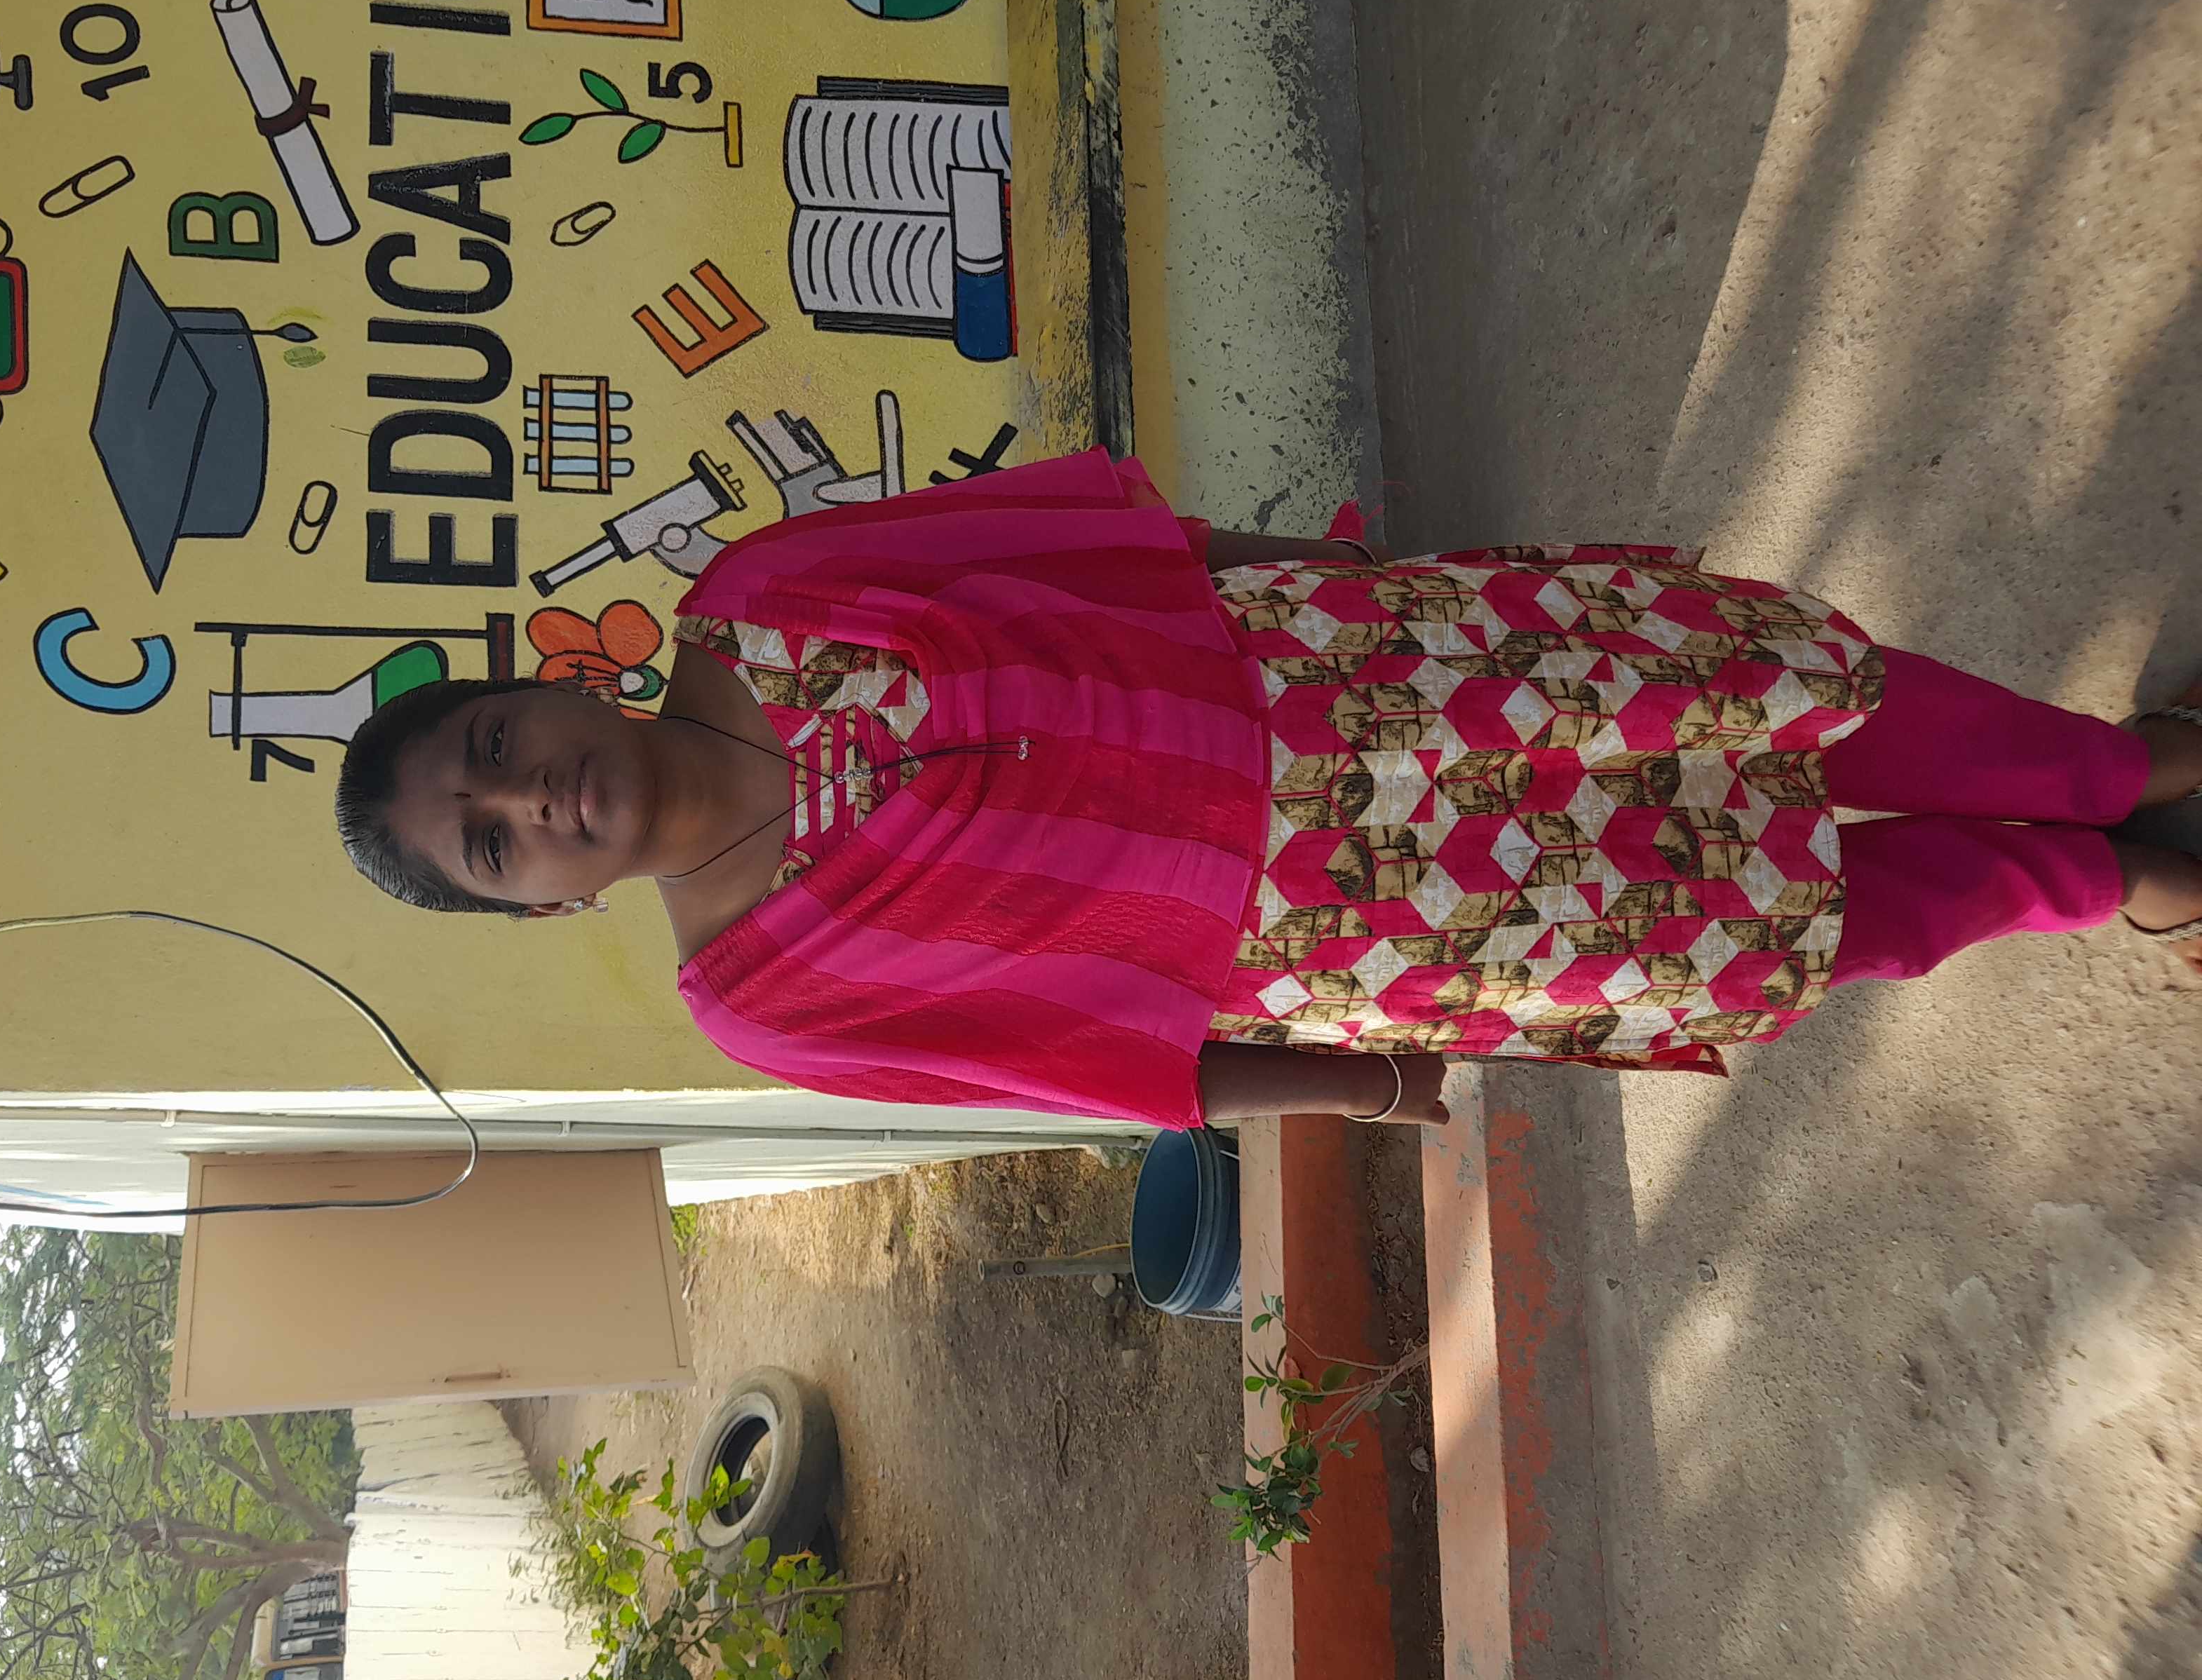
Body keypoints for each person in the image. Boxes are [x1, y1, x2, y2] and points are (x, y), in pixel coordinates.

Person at [335, 450, 2202, 1130]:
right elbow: (1084, 1068)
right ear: (538, 904)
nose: (530, 800)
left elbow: (1081, 540)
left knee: (1757, 689)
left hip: (1348, 666)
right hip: (1356, 929)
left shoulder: (760, 592)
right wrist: (1353, 1083)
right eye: (489, 849)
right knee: (1735, 930)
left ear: (538, 687)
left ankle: (2128, 766)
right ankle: (2115, 883)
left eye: (491, 749)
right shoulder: (760, 1000)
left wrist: (1348, 577)